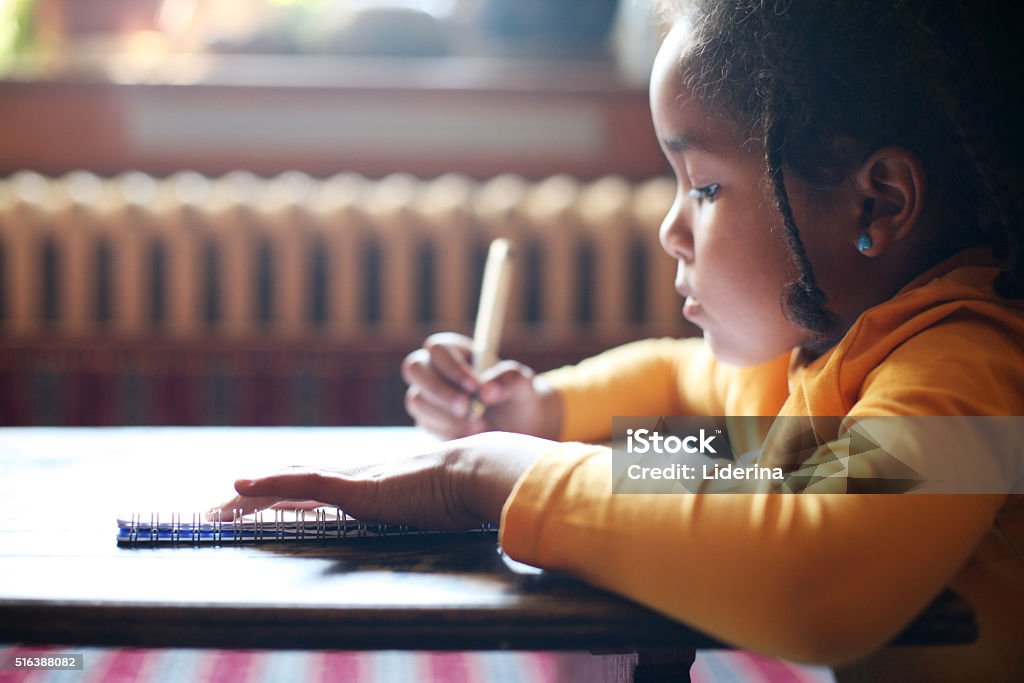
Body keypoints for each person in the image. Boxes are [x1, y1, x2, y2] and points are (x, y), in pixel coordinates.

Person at [216, 1, 1024, 678]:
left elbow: (816, 570)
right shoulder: (830, 361)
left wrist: (487, 470)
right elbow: (689, 411)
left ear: (877, 205)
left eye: (705, 186)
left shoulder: (973, 377)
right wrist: (538, 408)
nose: (671, 228)